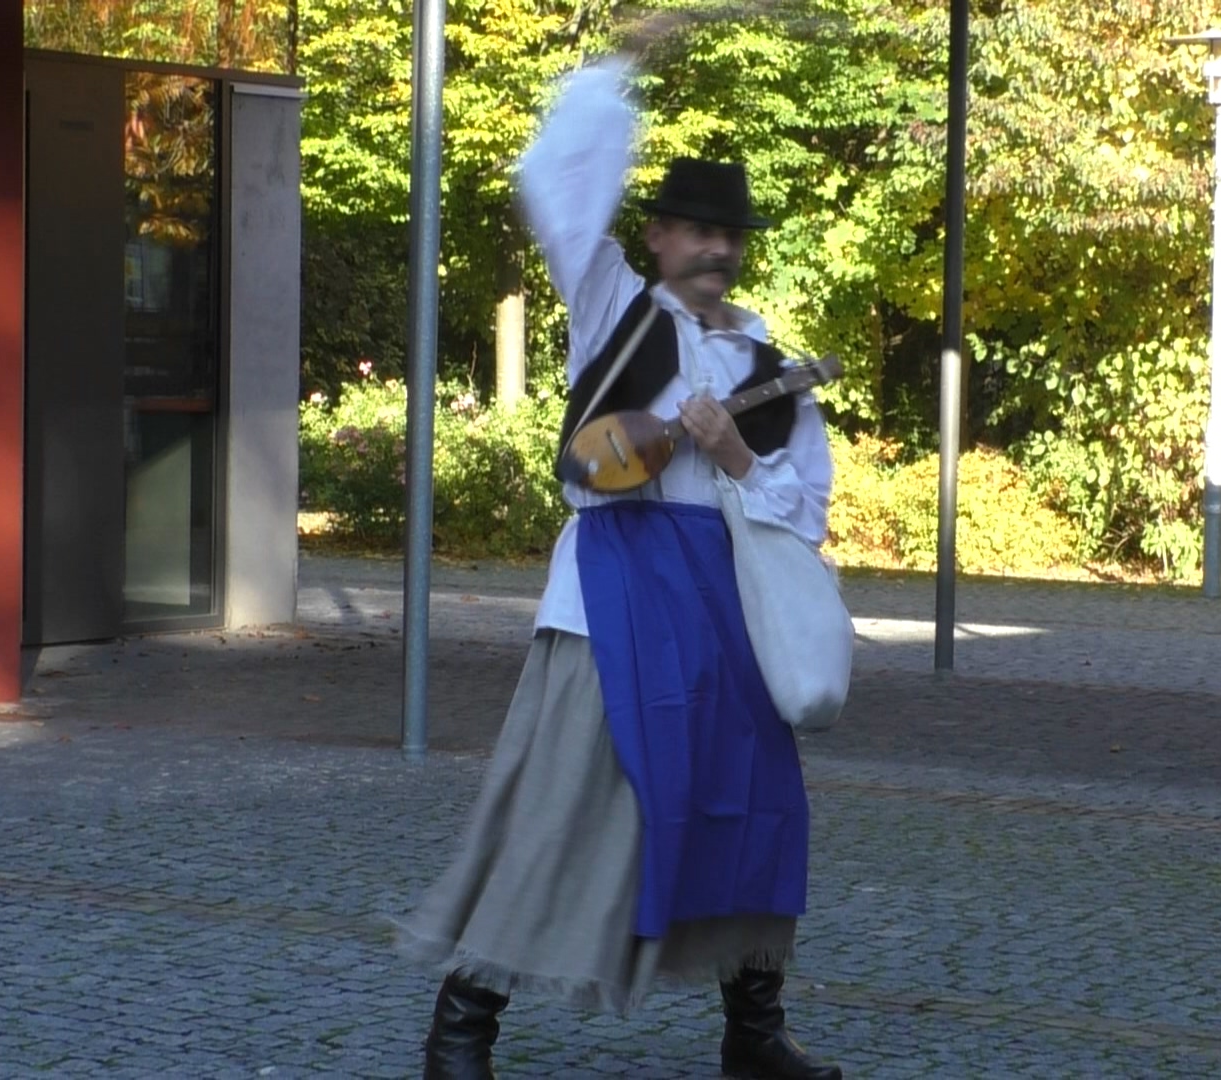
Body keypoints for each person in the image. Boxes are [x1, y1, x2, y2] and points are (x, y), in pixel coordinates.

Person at [392, 14, 841, 1080]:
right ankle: (462, 1027)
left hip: (726, 611)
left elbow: (805, 512)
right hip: (611, 599)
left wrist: (735, 454)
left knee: (754, 808)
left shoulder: (769, 368)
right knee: (564, 807)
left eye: (728, 235)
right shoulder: (611, 311)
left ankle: (753, 1034)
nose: (714, 249)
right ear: (659, 237)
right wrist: (621, 64)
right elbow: (556, 180)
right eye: (695, 231)